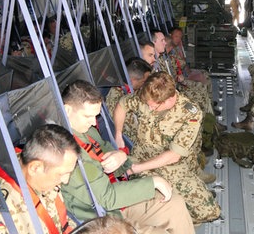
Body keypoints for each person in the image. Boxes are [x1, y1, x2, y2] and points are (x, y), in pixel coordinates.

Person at [60, 80, 195, 234]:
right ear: (67, 110)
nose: (93, 122)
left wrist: (121, 155)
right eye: (88, 116)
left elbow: (110, 154)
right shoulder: (64, 151)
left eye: (96, 116)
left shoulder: (85, 131)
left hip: (116, 203)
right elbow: (106, 198)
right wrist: (152, 182)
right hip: (101, 220)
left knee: (175, 204)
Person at [113, 72, 221, 223]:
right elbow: (122, 104)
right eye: (147, 104)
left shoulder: (190, 113)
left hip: (170, 164)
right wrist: (118, 134)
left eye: (153, 106)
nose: (149, 108)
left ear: (169, 100)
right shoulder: (149, 96)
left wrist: (136, 168)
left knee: (210, 212)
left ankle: (179, 216)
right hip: (139, 158)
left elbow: (173, 155)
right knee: (162, 206)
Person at [0, 124, 80, 234]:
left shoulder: (42, 174)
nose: (66, 180)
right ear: (35, 168)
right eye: (62, 174)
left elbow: (61, 222)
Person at [105, 57, 152, 144]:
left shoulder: (125, 91)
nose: (144, 85)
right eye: (143, 81)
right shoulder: (119, 100)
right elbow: (137, 133)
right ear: (132, 81)